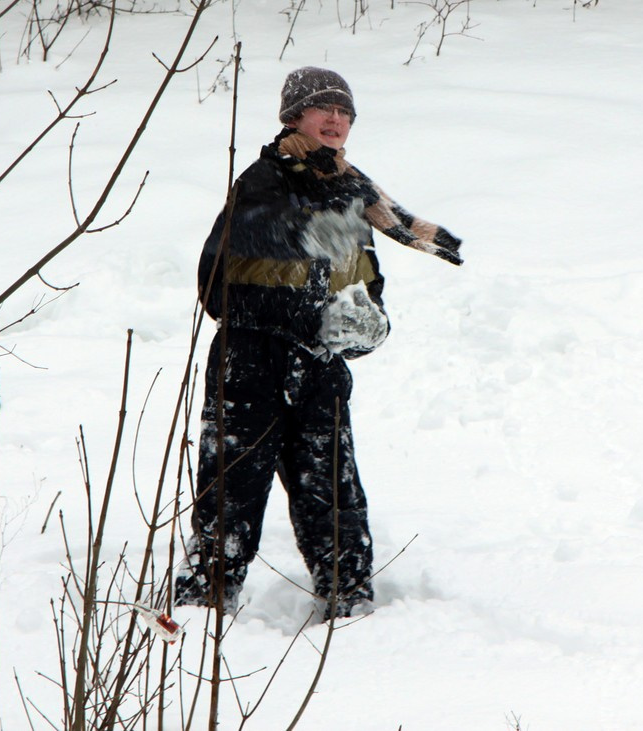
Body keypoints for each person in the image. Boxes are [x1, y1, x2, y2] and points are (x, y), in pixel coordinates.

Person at [174, 67, 463, 621]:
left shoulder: (350, 193)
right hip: (250, 361)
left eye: (344, 111)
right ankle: (201, 609)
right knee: (231, 494)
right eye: (322, 108)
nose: (335, 119)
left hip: (320, 369)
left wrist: (365, 322)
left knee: (334, 496)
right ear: (294, 117)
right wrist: (300, 308)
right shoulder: (263, 180)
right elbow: (216, 281)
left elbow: (363, 280)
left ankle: (350, 602)